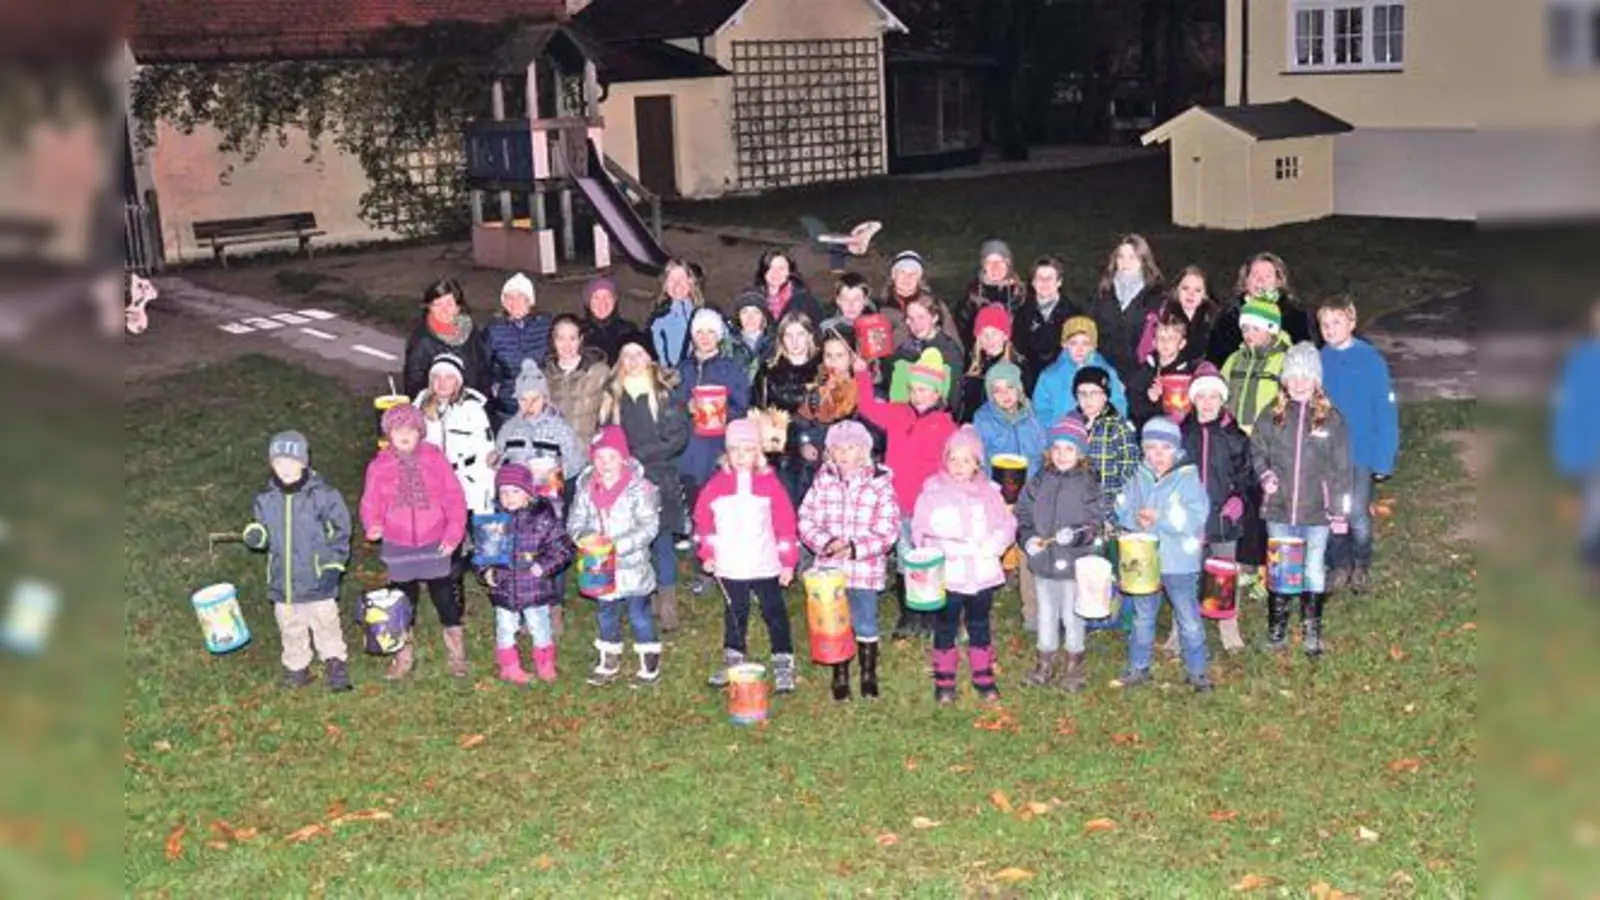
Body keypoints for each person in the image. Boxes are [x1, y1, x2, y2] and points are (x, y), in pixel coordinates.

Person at [1250, 343, 1353, 658]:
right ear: (1284, 379)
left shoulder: (1332, 420)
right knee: (1281, 570)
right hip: (1279, 509)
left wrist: (1339, 510)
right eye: (1293, 376)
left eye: (1306, 376)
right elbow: (1257, 450)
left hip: (1317, 512)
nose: (1299, 382)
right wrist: (1264, 474)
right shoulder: (1272, 415)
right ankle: (1277, 629)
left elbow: (1341, 469)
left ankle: (1312, 631)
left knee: (1312, 569)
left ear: (1317, 380)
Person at [853, 348, 959, 639]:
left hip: (929, 507)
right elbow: (868, 408)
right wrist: (862, 374)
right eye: (914, 389)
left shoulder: (947, 426)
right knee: (904, 559)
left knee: (931, 560)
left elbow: (953, 465)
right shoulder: (898, 413)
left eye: (925, 390)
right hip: (898, 503)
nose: (918, 395)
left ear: (938, 393)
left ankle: (933, 614)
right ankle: (909, 614)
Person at [359, 403, 468, 681]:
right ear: (388, 435)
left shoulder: (435, 459)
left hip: (435, 541)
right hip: (398, 544)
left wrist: (454, 534)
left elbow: (454, 498)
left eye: (410, 429)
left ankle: (456, 654)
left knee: (445, 598)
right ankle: (403, 654)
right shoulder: (379, 466)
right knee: (403, 601)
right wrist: (372, 523)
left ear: (420, 432)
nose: (404, 435)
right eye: (397, 430)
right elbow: (370, 500)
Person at [912, 426, 1017, 704]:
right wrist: (941, 546)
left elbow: (1007, 525)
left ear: (977, 464)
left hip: (981, 572)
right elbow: (920, 530)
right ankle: (944, 680)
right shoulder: (933, 493)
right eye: (953, 459)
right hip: (950, 574)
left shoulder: (990, 493)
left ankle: (983, 676)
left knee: (979, 623)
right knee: (946, 624)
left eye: (966, 460)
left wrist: (995, 545)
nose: (959, 466)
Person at [696, 417, 802, 694]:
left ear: (759, 452)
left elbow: (785, 525)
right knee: (734, 611)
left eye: (748, 450)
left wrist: (787, 562)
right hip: (731, 563)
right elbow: (704, 522)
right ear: (726, 453)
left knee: (774, 611)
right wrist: (708, 552)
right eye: (735, 450)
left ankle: (783, 660)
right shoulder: (716, 486)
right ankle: (734, 658)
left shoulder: (770, 485)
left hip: (764, 561)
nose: (741, 457)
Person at [241, 431, 353, 691]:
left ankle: (335, 661)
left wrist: (334, 564)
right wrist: (257, 536)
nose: (286, 469)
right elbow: (263, 532)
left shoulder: (323, 496)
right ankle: (297, 666)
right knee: (290, 624)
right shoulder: (265, 500)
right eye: (279, 463)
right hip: (284, 579)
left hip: (318, 576)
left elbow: (340, 531)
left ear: (304, 462)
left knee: (325, 620)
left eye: (292, 462)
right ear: (272, 465)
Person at [798, 420, 900, 701]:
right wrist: (827, 544)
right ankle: (840, 673)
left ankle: (868, 673)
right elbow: (805, 519)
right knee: (835, 623)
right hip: (830, 570)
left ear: (864, 451)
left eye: (851, 448)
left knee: (866, 622)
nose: (844, 455)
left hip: (864, 568)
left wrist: (856, 548)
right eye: (838, 449)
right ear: (829, 452)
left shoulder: (880, 485)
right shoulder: (823, 481)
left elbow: (889, 529)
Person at [1111, 416, 1214, 693]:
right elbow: (1124, 507)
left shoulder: (1188, 478)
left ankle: (1197, 669)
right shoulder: (1138, 476)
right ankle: (1138, 665)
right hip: (1143, 559)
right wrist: (1135, 518)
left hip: (1179, 561)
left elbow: (1196, 516)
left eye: (1164, 448)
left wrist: (1161, 517)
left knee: (1188, 616)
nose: (1157, 455)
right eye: (1151, 448)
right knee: (1143, 615)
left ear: (1176, 449)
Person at [599, 340, 690, 631]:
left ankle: (667, 602)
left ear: (649, 358)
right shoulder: (613, 396)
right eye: (627, 355)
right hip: (624, 480)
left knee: (662, 540)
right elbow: (605, 435)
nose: (633, 360)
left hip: (658, 476)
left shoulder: (665, 394)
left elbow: (677, 437)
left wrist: (641, 456)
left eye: (639, 353)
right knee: (634, 541)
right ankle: (639, 595)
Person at [1164, 364, 1253, 655]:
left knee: (1224, 574)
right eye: (1201, 397)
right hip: (1188, 521)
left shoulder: (1234, 436)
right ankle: (1179, 629)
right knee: (1186, 574)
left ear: (1222, 400)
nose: (1207, 403)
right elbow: (1169, 473)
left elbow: (1245, 473)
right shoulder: (1181, 434)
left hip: (1222, 518)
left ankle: (1228, 629)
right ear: (1193, 399)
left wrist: (1238, 498)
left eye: (1214, 397)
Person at [567, 426, 665, 685]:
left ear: (623, 457)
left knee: (639, 615)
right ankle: (608, 659)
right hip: (597, 564)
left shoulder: (640, 489)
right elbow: (575, 521)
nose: (604, 464)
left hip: (631, 565)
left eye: (611, 457)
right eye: (599, 458)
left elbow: (649, 525)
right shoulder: (587, 488)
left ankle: (649, 663)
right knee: (605, 614)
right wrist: (586, 538)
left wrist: (618, 545)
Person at [1317, 297, 1399, 594]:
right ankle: (1338, 564)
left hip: (1361, 452)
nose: (1330, 329)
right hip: (1328, 454)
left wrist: (1383, 459)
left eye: (1337, 322)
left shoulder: (1370, 360)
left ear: (1352, 323)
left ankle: (1361, 562)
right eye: (1324, 324)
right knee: (1331, 512)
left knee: (1357, 513)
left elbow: (1385, 411)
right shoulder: (1320, 359)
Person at [1014, 417, 1103, 692]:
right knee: (1046, 612)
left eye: (1069, 449)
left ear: (1080, 454)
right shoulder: (1039, 481)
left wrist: (1077, 534)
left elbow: (1096, 522)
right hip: (1043, 563)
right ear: (1049, 452)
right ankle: (1044, 660)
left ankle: (1073, 664)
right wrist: (1028, 539)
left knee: (1072, 613)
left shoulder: (1088, 484)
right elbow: (1023, 514)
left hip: (1074, 563)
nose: (1062, 455)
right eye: (1057, 448)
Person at [481, 464, 574, 685]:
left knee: (540, 625)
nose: (509, 497)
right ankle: (509, 666)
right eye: (503, 492)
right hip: (504, 587)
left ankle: (545, 663)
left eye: (515, 491)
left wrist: (544, 566)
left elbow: (563, 548)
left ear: (529, 493)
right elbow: (483, 552)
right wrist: (486, 571)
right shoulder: (494, 521)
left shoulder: (543, 519)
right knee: (505, 627)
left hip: (534, 587)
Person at [752, 312, 823, 505]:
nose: (795, 342)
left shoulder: (823, 370)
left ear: (810, 335)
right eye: (789, 336)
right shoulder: (768, 373)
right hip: (780, 453)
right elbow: (758, 411)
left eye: (800, 334)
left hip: (818, 451)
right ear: (781, 339)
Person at [1553, 298, 1600, 587]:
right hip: (1592, 454)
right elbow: (1569, 412)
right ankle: (1592, 568)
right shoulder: (1582, 362)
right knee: (1594, 508)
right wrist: (1570, 455)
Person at [415, 352, 496, 516]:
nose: (442, 383)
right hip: (432, 482)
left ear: (458, 382)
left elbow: (486, 452)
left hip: (466, 482)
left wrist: (486, 495)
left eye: (449, 377)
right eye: (437, 377)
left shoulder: (472, 409)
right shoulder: (419, 408)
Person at [1206, 252, 1318, 365]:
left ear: (1278, 281)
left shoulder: (1295, 315)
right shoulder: (1229, 316)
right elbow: (1215, 360)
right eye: (1255, 275)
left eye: (1267, 276)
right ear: (1246, 281)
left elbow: (1305, 357)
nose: (1260, 280)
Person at [494, 360, 585, 485]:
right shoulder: (508, 429)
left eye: (535, 399)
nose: (529, 405)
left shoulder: (561, 429)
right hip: (517, 496)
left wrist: (554, 476)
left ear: (545, 399)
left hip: (550, 497)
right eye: (523, 400)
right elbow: (500, 461)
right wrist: (494, 460)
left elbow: (576, 464)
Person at [1089, 234, 1165, 381]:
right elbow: (1092, 327)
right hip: (1105, 370)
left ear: (1143, 260)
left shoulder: (1156, 296)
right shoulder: (1105, 291)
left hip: (1139, 374)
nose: (1125, 262)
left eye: (1132, 257)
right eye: (1121, 257)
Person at [1033, 315, 1129, 429]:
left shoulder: (1107, 373)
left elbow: (1119, 405)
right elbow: (1041, 412)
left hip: (1099, 436)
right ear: (1064, 344)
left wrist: (1104, 426)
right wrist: (1062, 427)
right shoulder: (1049, 376)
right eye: (1073, 343)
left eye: (1085, 343)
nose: (1079, 349)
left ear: (1093, 346)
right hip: (1063, 438)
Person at [1066, 366, 1142, 506]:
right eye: (1082, 393)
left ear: (1105, 396)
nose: (1087, 399)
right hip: (1074, 502)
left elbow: (1130, 471)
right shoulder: (1069, 424)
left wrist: (1117, 503)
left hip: (1108, 504)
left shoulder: (1119, 427)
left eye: (1094, 393)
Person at [484, 273, 552, 423]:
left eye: (520, 296)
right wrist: (495, 388)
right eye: (509, 297)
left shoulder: (545, 325)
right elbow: (485, 365)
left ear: (530, 300)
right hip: (508, 405)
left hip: (540, 403)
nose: (514, 302)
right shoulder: (494, 329)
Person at [403, 278, 490, 397]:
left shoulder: (470, 330)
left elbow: (483, 369)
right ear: (429, 307)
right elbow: (414, 385)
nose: (444, 310)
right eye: (437, 304)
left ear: (458, 306)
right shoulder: (421, 341)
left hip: (472, 405)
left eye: (449, 303)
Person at [1220, 297, 1293, 434]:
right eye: (1245, 328)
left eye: (1256, 329)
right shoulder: (1234, 359)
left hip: (1268, 434)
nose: (1249, 334)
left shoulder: (1285, 361)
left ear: (1271, 330)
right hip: (1234, 435)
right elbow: (1220, 392)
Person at [1015, 256, 1083, 393]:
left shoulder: (1074, 314)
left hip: (1064, 380)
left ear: (1059, 282)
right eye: (1040, 278)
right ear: (1033, 283)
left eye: (1050, 278)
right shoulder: (1023, 313)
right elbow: (1019, 348)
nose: (1044, 283)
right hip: (1031, 380)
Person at [542, 313, 610, 451]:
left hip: (589, 451)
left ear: (581, 339)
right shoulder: (543, 375)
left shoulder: (599, 372)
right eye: (561, 338)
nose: (567, 345)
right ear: (553, 340)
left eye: (572, 338)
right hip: (555, 451)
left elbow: (612, 411)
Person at [1126, 311, 1199, 429]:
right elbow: (1133, 399)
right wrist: (1149, 399)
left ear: (1182, 344)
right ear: (1154, 342)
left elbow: (1184, 413)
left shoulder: (1186, 375)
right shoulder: (1147, 368)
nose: (1166, 343)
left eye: (1171, 338)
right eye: (1161, 338)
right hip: (1146, 428)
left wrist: (1161, 399)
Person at [887, 294, 965, 405]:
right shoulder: (905, 348)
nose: (916, 324)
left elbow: (954, 397)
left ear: (934, 318)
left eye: (921, 317)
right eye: (911, 318)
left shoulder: (949, 352)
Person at [879, 250, 965, 351]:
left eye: (913, 273)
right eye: (902, 272)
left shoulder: (935, 305)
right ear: (893, 275)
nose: (907, 278)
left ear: (919, 278)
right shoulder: (879, 308)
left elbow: (954, 342)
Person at [1135, 265, 1217, 365]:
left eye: (1197, 290)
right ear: (1177, 290)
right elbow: (1145, 353)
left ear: (1205, 295)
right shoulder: (1163, 316)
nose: (1191, 294)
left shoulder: (1211, 319)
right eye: (1185, 288)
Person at [956, 304, 1022, 423]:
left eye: (994, 334)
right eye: (984, 334)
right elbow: (965, 408)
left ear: (1005, 336)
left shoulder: (1017, 370)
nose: (989, 339)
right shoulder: (974, 369)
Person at [647, 258, 706, 371]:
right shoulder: (658, 321)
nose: (677, 284)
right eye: (671, 279)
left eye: (681, 278)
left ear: (691, 281)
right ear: (665, 285)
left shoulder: (707, 316)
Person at [580, 276, 643, 367]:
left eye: (608, 297)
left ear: (615, 301)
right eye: (596, 298)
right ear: (588, 303)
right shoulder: (577, 332)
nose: (602, 303)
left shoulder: (629, 330)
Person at [752, 248, 825, 325]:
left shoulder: (804, 299)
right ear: (763, 271)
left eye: (781, 268)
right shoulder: (752, 298)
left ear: (790, 271)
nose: (775, 273)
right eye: (770, 268)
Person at [964, 239, 1028, 327]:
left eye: (1000, 262)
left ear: (1008, 264)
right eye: (990, 263)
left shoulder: (1022, 294)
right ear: (983, 266)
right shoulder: (972, 294)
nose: (995, 267)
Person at [728, 289, 774, 381]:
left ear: (763, 317)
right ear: (738, 316)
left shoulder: (774, 345)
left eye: (756, 312)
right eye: (745, 312)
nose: (750, 318)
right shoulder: (728, 346)